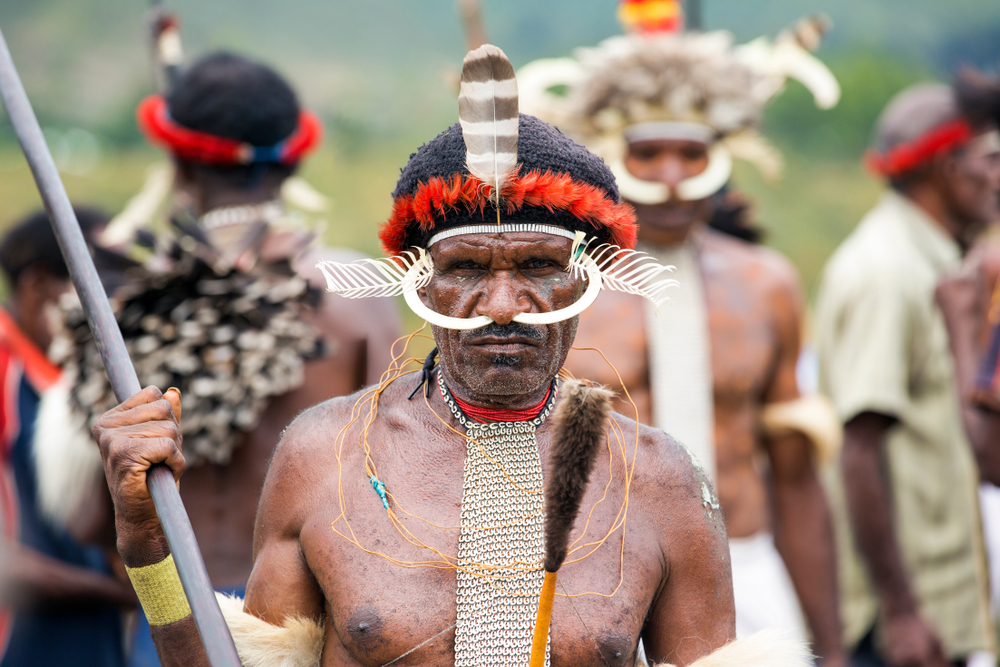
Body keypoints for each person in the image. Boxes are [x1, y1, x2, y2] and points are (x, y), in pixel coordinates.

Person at [86, 45, 812, 667]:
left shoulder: (663, 481)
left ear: (589, 280)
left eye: (536, 265)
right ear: (418, 279)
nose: (501, 305)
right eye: (465, 268)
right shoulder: (324, 454)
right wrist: (145, 542)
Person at [33, 52, 401, 667]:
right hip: (303, 624)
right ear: (293, 159)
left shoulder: (121, 305)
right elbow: (393, 476)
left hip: (169, 618)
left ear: (178, 164)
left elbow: (92, 518)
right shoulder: (354, 298)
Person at [518, 7, 846, 663]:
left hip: (745, 563)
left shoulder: (768, 283)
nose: (670, 174)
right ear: (610, 158)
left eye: (690, 153)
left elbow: (795, 476)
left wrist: (830, 644)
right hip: (594, 567)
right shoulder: (555, 289)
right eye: (648, 152)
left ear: (720, 156)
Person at [815, 79, 1000, 667]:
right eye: (992, 159)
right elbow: (858, 449)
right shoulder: (887, 271)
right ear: (949, 167)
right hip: (902, 626)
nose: (999, 178)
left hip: (948, 610)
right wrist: (901, 612)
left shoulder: (947, 265)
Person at [0, 208, 134, 667]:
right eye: (100, 280)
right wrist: (132, 593)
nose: (115, 300)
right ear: (38, 286)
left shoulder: (73, 380)